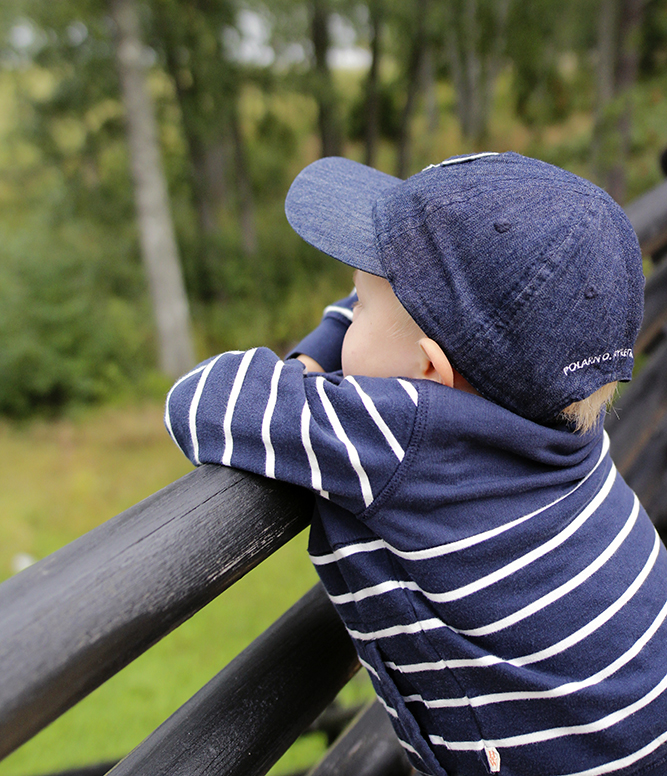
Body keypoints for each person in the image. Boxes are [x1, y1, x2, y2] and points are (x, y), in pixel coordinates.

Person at [165, 151, 667, 776]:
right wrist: (362, 323)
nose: (346, 310)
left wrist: (307, 366)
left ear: (427, 369)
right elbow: (406, 337)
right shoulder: (553, 413)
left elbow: (202, 401)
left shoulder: (406, 434)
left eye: (358, 304)